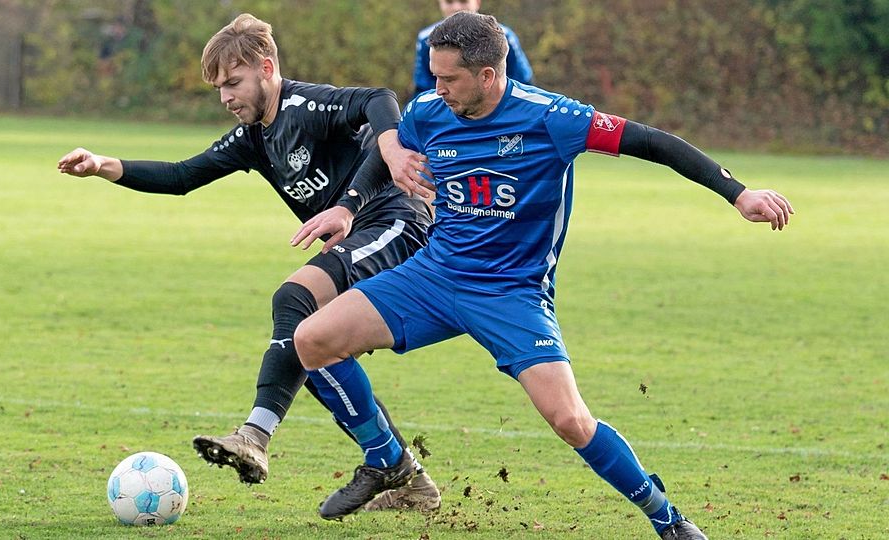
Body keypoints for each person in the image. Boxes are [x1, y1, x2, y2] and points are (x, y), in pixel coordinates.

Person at [292, 10, 793, 537]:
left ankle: (666, 518)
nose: (436, 88)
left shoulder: (552, 117)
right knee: (312, 340)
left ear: (488, 75)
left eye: (448, 78)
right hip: (433, 276)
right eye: (434, 76)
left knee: (571, 421)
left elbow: (654, 142)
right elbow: (389, 149)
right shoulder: (429, 111)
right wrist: (349, 206)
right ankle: (387, 460)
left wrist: (739, 194)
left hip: (512, 293)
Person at [56, 13, 442, 513]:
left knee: (294, 300)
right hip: (357, 238)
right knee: (311, 344)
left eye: (233, 82)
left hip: (396, 218)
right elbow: (181, 175)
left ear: (266, 68)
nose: (226, 97)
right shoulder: (254, 138)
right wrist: (106, 166)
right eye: (218, 88)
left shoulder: (305, 104)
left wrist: (386, 149)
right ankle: (400, 471)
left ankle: (257, 436)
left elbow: (379, 100)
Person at [413, 0, 533, 95]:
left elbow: (523, 80)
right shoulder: (426, 38)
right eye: (449, 2)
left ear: (477, 2)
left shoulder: (504, 35)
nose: (456, 7)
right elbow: (423, 86)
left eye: (464, 1)